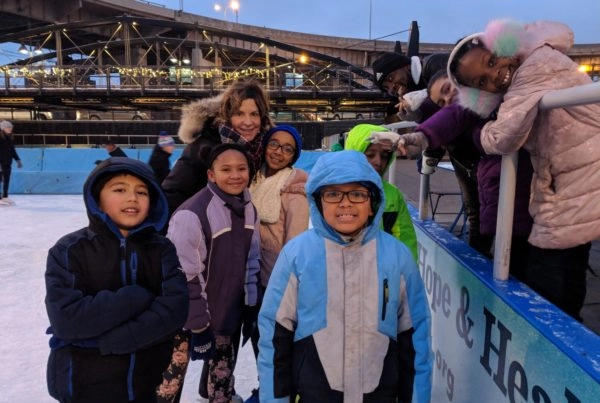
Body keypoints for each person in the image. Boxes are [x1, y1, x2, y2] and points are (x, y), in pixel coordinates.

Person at [448, 18, 600, 321]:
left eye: (492, 61)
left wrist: (478, 132)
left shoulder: (532, 71)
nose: (495, 76)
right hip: (572, 180)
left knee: (551, 293)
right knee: (553, 280)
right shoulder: (540, 60)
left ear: (504, 45)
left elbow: (502, 138)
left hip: (575, 186)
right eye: (482, 83)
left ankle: (561, 357)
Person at [258, 150, 433, 403]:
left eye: (357, 194)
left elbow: (415, 338)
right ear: (317, 202)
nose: (345, 203)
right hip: (314, 395)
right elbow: (275, 335)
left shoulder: (397, 256)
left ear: (373, 203)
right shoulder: (297, 255)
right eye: (332, 194)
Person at [44, 157, 189, 402]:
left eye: (141, 192)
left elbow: (174, 309)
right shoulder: (69, 250)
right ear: (97, 197)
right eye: (119, 189)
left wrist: (112, 341)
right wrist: (135, 298)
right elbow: (66, 319)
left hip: (145, 382)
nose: (132, 198)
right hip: (82, 383)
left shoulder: (161, 248)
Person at [166, 143, 260, 403]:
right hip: (189, 317)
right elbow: (184, 274)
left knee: (221, 382)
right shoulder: (192, 213)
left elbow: (252, 259)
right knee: (169, 382)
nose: (235, 175)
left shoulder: (249, 207)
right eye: (226, 169)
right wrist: (198, 323)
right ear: (211, 174)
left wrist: (250, 304)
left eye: (241, 168)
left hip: (227, 311)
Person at [161, 79, 273, 216]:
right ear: (228, 115)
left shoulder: (262, 150)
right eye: (239, 114)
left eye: (254, 114)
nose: (248, 122)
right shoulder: (204, 147)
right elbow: (172, 194)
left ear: (262, 117)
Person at [344, 123, 418, 261]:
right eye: (370, 155)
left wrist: (407, 276)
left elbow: (405, 241)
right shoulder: (335, 191)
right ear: (353, 154)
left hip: (385, 275)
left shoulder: (393, 195)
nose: (378, 161)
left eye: (384, 156)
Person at [372, 51, 449, 122]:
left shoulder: (434, 64)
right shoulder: (419, 89)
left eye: (390, 78)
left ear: (406, 65)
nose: (392, 88)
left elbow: (455, 104)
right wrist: (420, 116)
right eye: (386, 88)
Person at [0, 120, 23, 206]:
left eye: (10, 127)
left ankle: (5, 196)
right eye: (8, 127)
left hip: (7, 162)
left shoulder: (11, 137)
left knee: (6, 179)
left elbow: (12, 150)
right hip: (0, 162)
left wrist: (18, 160)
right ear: (3, 128)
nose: (10, 129)